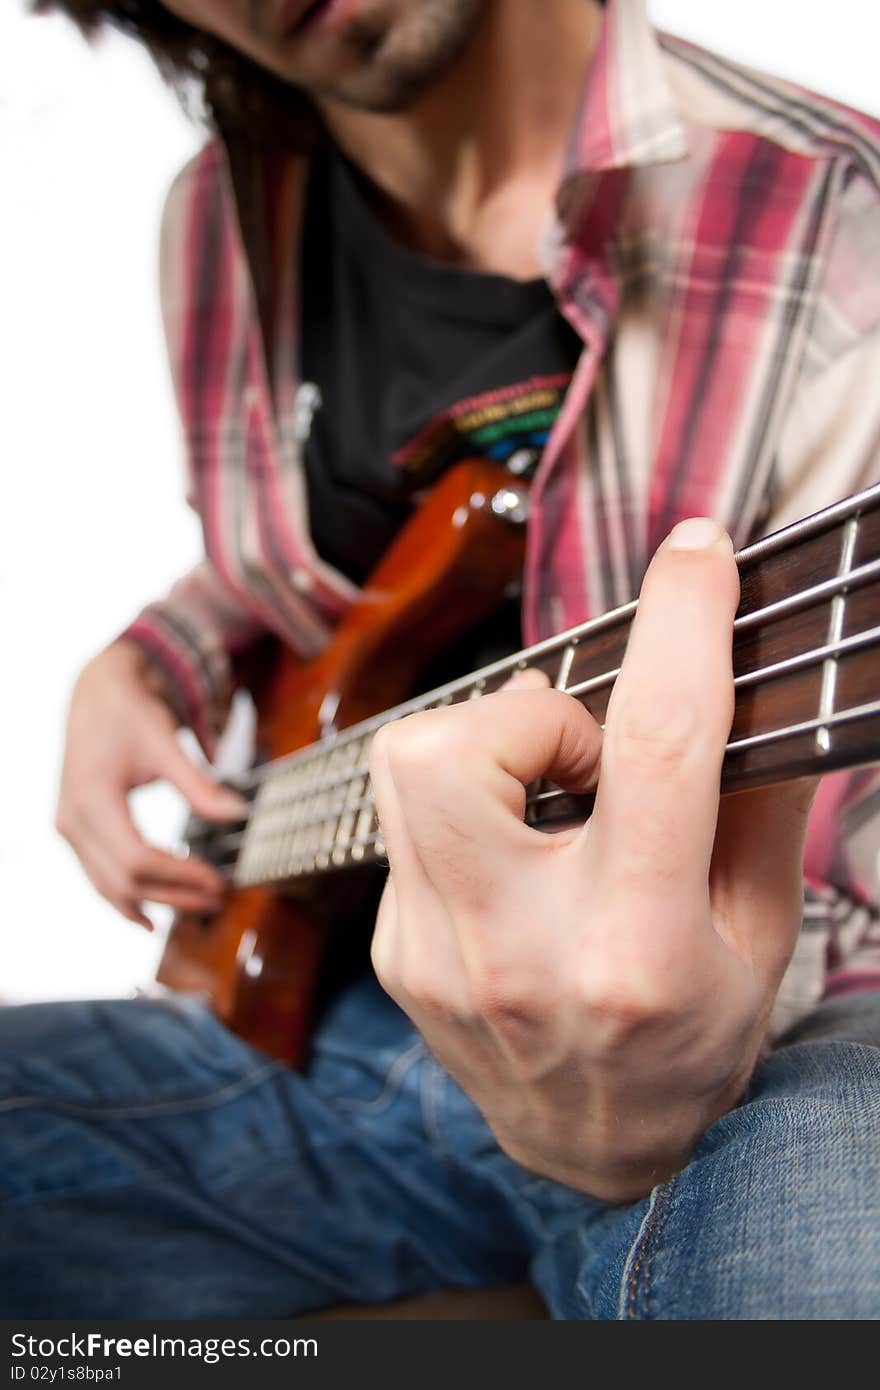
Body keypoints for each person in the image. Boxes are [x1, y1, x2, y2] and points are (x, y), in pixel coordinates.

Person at [6, 0, 879, 1317]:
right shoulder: (216, 215)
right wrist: (139, 663)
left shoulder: (841, 219)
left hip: (771, 1031)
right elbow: (275, 579)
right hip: (322, 1026)